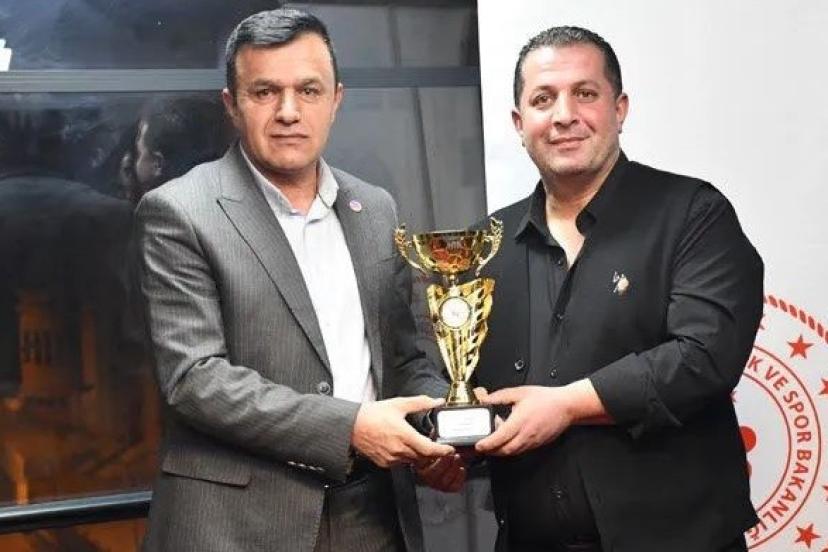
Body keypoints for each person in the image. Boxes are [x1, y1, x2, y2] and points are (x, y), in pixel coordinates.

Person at [136, 9, 464, 552]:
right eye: (265, 92)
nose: (289, 112)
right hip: (237, 526)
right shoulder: (180, 212)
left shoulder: (375, 209)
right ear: (231, 105)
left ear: (336, 99)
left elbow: (403, 359)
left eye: (308, 90)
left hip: (371, 513)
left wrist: (443, 423)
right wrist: (351, 427)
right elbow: (195, 380)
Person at [471, 26, 763, 552]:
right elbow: (473, 384)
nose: (564, 115)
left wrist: (567, 404)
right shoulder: (485, 245)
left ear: (619, 108)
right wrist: (455, 445)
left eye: (585, 93)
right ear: (519, 123)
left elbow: (705, 357)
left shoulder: (693, 214)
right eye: (543, 99)